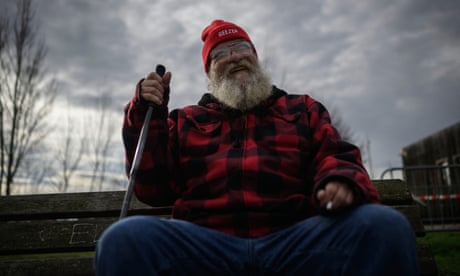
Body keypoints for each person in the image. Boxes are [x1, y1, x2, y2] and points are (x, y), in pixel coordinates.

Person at [95, 19, 418, 275]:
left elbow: (336, 154)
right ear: (209, 72)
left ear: (255, 57)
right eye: (220, 54)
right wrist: (145, 114)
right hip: (205, 248)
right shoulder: (184, 121)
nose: (234, 57)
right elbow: (153, 188)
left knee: (382, 225)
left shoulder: (302, 109)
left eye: (240, 47)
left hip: (294, 243)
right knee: (125, 238)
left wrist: (339, 181)